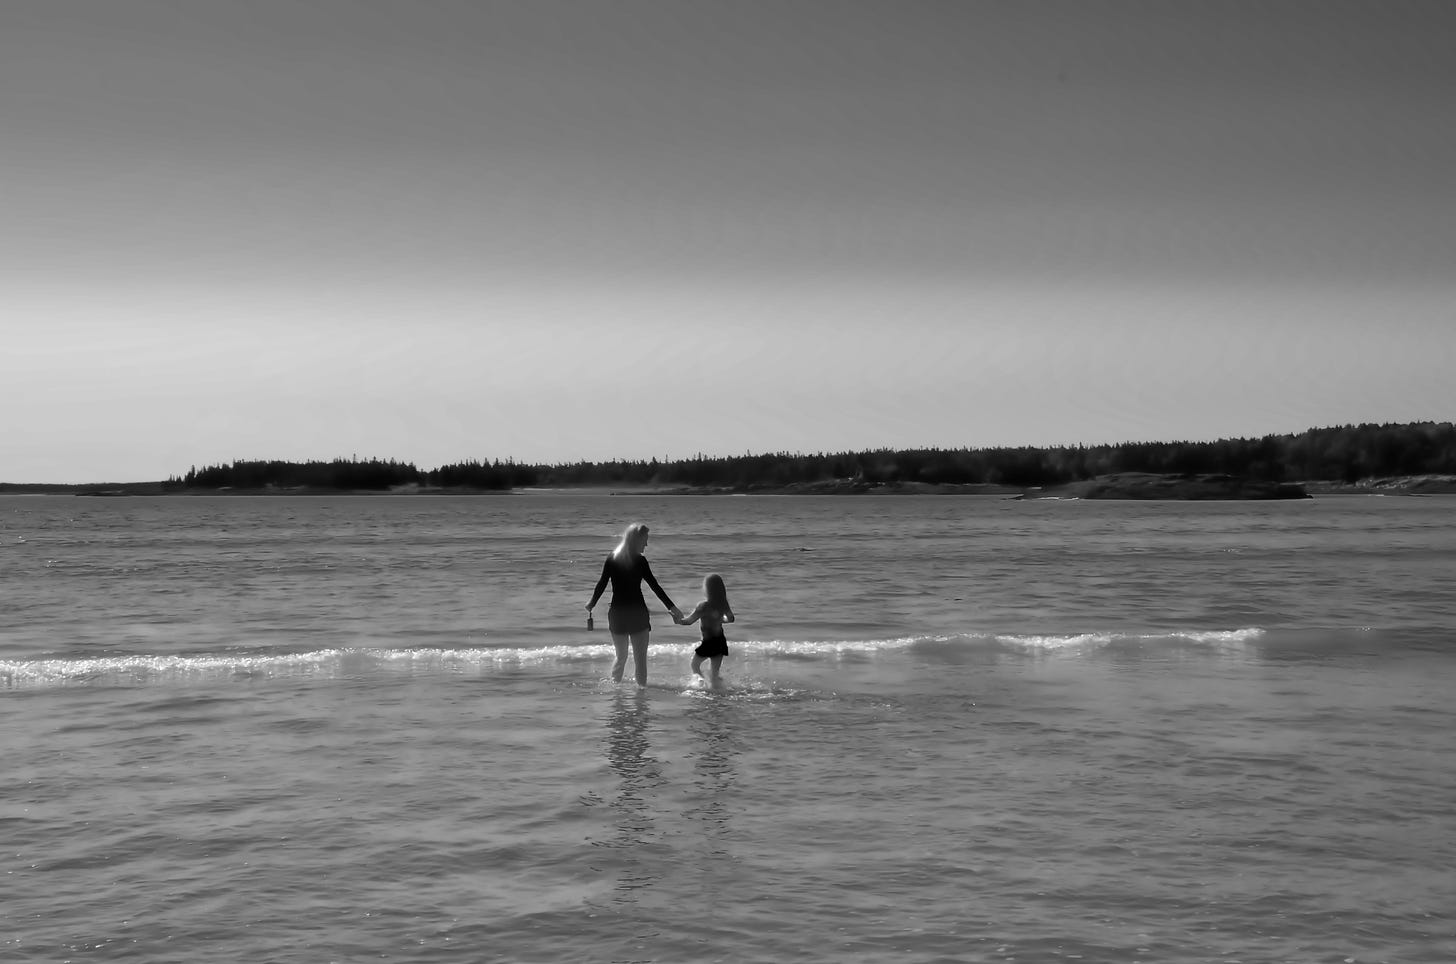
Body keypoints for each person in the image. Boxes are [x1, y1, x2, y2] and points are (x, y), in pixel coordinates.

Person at [586, 523, 681, 686]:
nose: (646, 544)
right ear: (636, 540)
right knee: (640, 660)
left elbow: (602, 583)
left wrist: (592, 603)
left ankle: (616, 696)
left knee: (621, 657)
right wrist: (672, 608)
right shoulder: (640, 561)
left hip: (618, 614)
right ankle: (641, 698)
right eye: (645, 540)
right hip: (637, 614)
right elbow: (655, 586)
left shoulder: (612, 557)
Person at [676, 573, 735, 683]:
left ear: (707, 589)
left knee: (694, 666)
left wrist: (678, 620)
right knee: (714, 673)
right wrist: (720, 619)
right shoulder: (723, 604)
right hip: (720, 642)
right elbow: (731, 618)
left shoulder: (703, 606)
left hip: (708, 643)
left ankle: (700, 680)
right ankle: (718, 692)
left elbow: (689, 622)